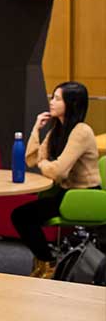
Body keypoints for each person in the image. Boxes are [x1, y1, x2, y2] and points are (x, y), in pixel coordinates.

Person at [11, 81, 101, 278]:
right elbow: (31, 158)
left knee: (22, 216)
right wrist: (36, 128)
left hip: (85, 195)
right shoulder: (58, 130)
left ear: (72, 103)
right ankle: (46, 260)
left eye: (57, 98)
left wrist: (44, 164)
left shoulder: (81, 131)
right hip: (66, 193)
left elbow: (58, 171)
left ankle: (48, 261)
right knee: (21, 215)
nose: (51, 102)